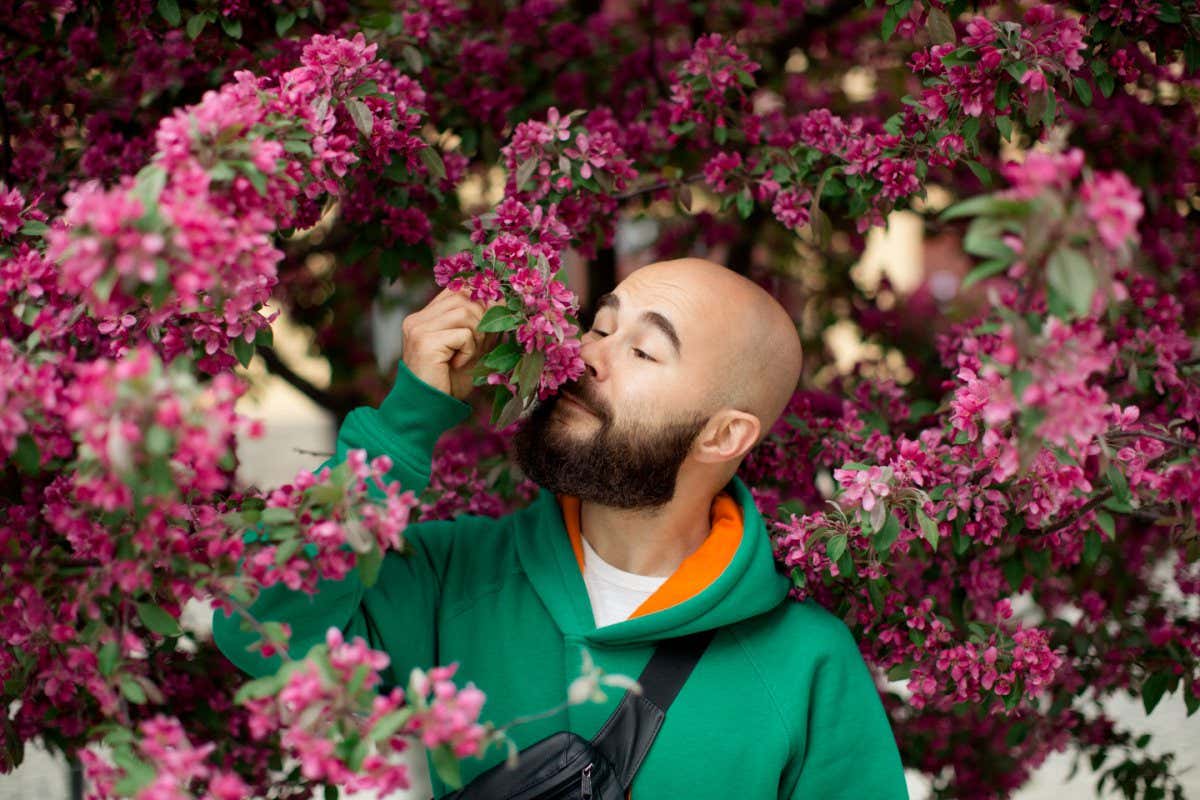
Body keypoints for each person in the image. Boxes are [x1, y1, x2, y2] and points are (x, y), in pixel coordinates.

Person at [213, 258, 909, 799]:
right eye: (601, 327)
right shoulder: (456, 576)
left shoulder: (806, 666)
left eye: (644, 352)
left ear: (725, 434)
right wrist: (404, 424)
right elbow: (256, 629)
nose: (589, 355)